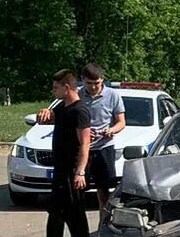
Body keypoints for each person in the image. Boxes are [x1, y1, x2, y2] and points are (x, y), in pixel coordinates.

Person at [35, 62, 124, 213]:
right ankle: (77, 217)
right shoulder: (77, 96)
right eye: (89, 83)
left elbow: (121, 122)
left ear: (102, 79)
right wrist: (46, 111)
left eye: (97, 83)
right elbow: (58, 113)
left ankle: (104, 222)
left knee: (104, 192)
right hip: (82, 149)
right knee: (78, 190)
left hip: (103, 147)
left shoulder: (112, 95)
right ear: (83, 80)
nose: (93, 87)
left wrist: (111, 130)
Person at [29, 70, 94, 237]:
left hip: (72, 171)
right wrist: (45, 112)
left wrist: (80, 171)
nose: (53, 91)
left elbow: (85, 144)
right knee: (55, 210)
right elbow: (47, 117)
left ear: (67, 88)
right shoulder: (62, 107)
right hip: (60, 168)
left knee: (74, 212)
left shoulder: (79, 110)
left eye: (56, 87)